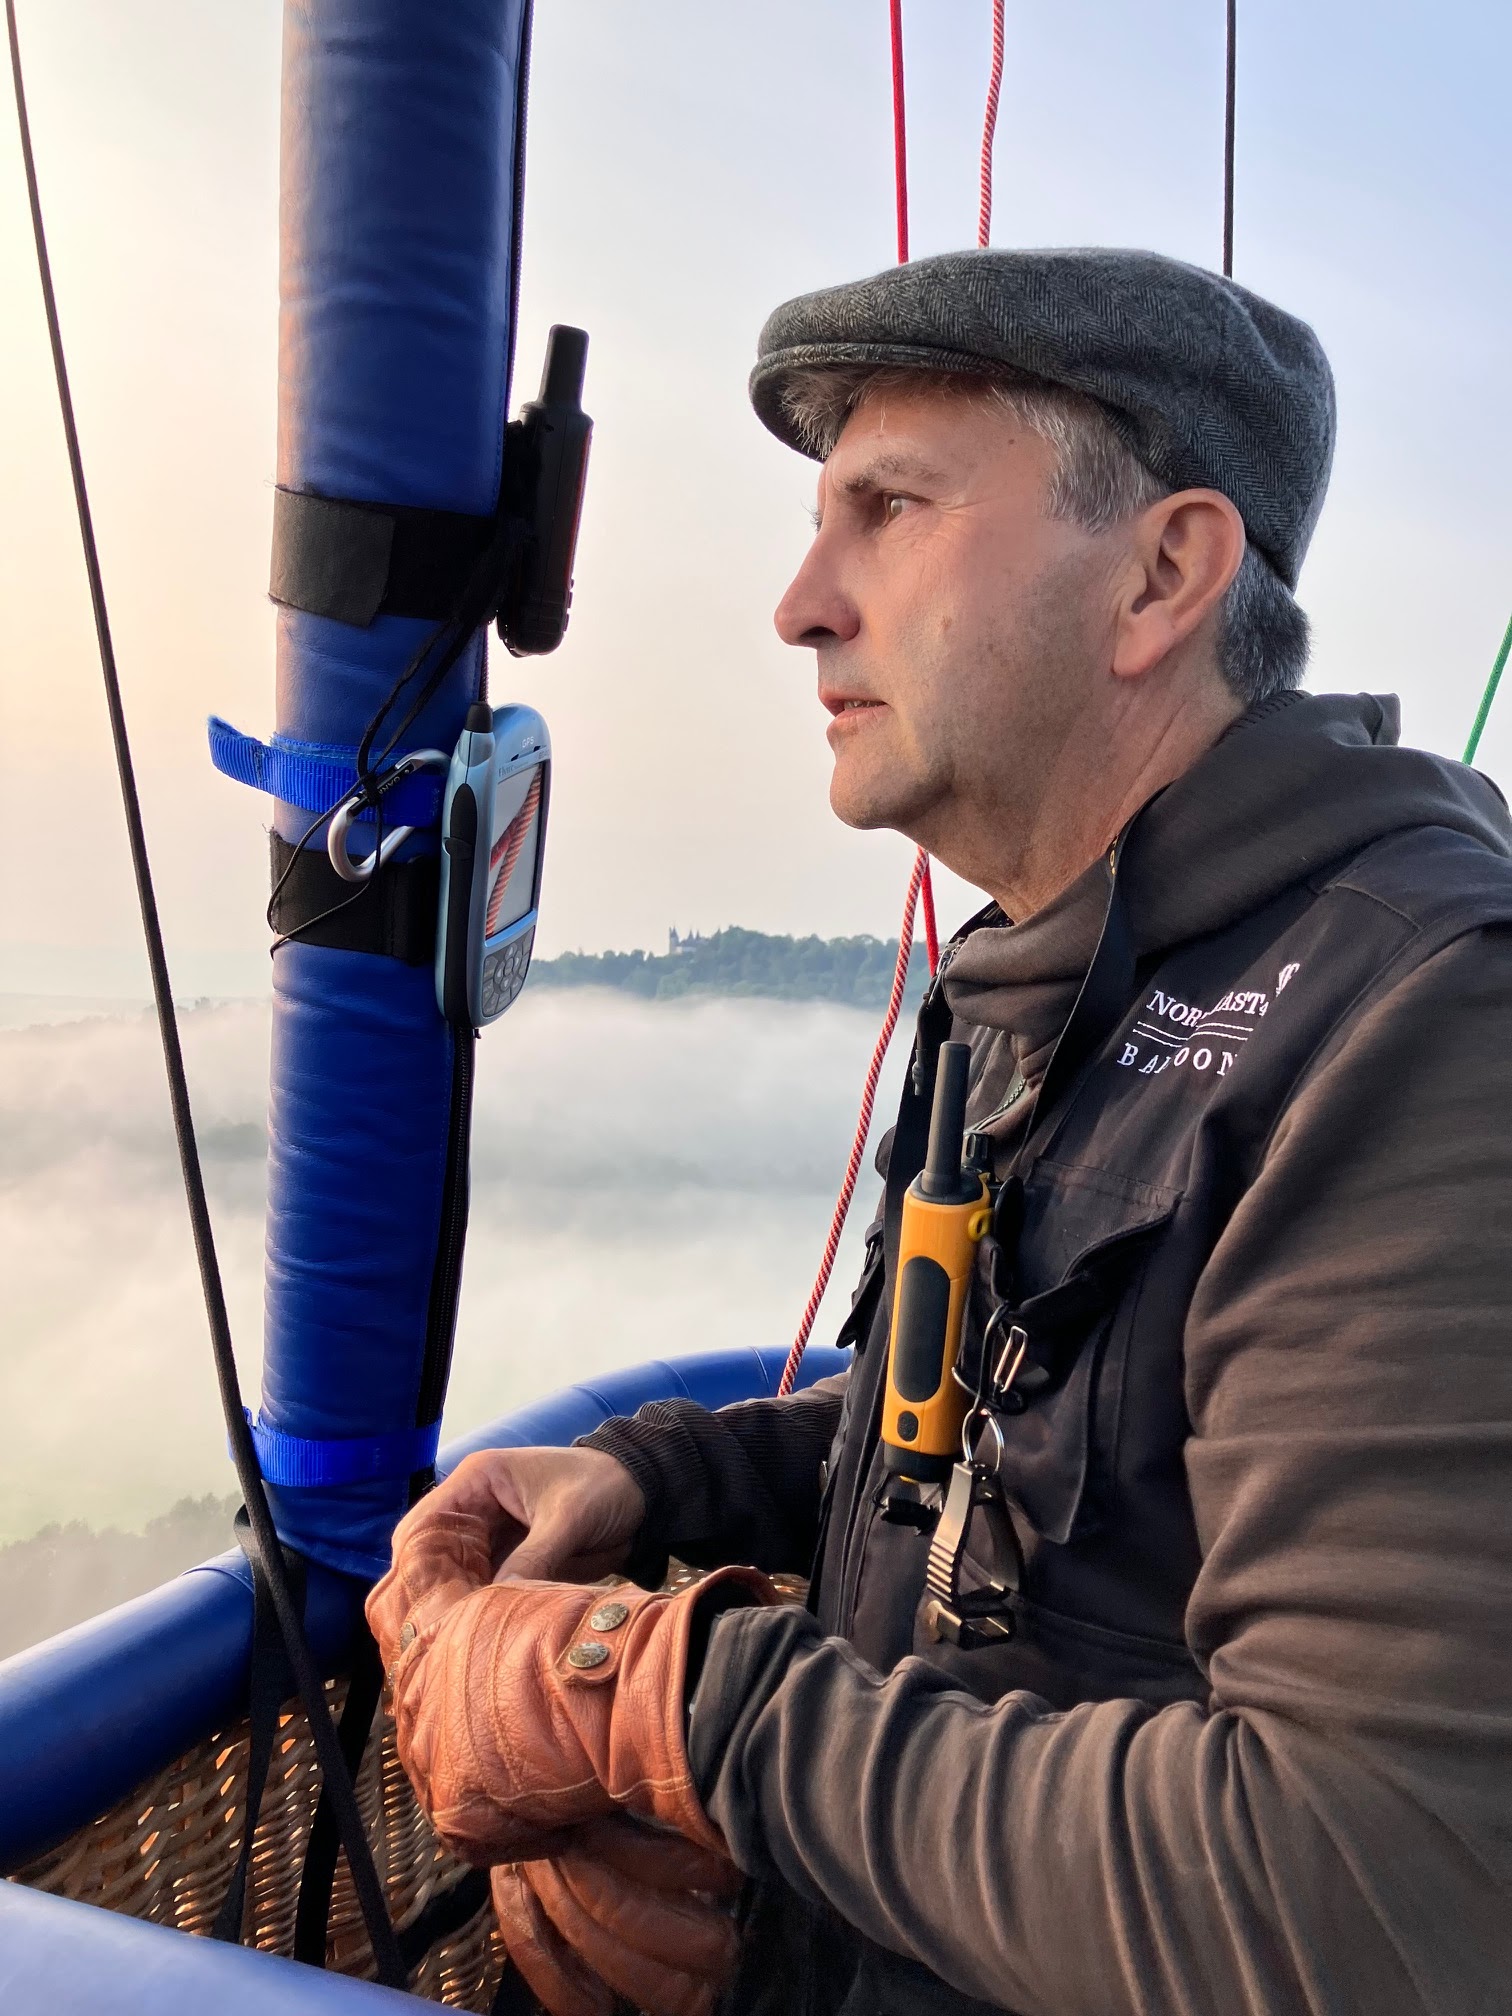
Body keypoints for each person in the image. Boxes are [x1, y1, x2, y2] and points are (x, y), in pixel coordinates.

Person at [366, 248, 1512, 2016]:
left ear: (1163, 575)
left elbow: (1375, 1891)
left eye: (887, 510)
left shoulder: (1419, 1023)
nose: (800, 605)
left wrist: (672, 1703)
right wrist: (671, 1480)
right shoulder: (1038, 979)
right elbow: (1002, 1425)